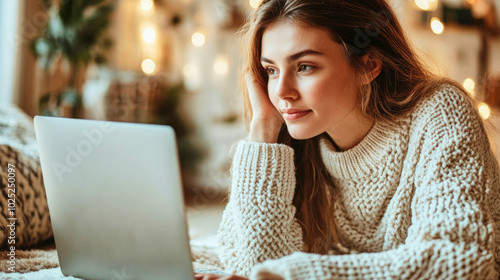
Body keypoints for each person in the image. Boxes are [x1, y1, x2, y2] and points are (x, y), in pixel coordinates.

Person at [195, 0, 500, 279]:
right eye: (271, 70)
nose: (282, 91)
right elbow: (255, 267)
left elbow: (462, 262)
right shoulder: (298, 138)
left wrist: (300, 273)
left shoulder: (439, 113)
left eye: (304, 67)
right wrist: (262, 133)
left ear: (369, 65)